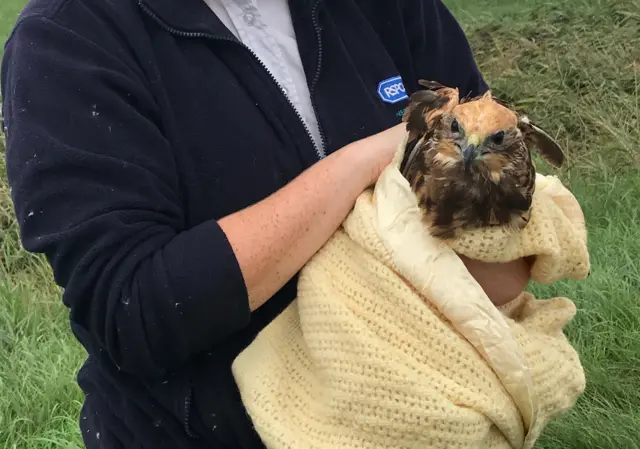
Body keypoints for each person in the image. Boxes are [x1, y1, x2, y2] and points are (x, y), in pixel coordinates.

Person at [1, 0, 533, 448]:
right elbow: (134, 309)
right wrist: (366, 162)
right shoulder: (66, 39)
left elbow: (503, 168)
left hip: (428, 417)